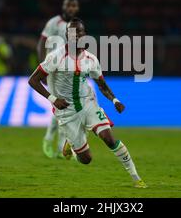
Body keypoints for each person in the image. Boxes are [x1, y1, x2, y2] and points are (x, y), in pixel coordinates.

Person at [28, 18, 147, 188]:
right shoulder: (55, 57)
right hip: (66, 110)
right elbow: (33, 80)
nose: (76, 35)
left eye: (80, 32)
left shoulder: (91, 59)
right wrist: (53, 99)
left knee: (109, 138)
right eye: (72, 32)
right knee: (86, 159)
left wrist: (115, 100)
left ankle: (136, 178)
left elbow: (102, 85)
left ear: (85, 35)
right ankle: (72, 143)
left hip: (88, 103)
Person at [37, 0, 81, 159]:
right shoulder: (54, 23)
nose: (71, 8)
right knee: (61, 106)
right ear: (63, 6)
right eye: (68, 5)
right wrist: (42, 66)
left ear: (77, 8)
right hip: (53, 68)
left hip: (68, 69)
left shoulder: (77, 25)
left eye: (74, 6)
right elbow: (41, 44)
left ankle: (59, 143)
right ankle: (50, 140)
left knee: (66, 107)